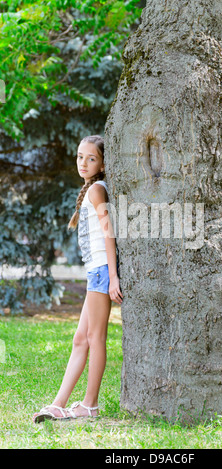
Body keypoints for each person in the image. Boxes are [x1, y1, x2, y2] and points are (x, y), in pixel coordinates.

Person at [33, 135, 123, 423]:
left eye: (91, 158)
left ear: (103, 162)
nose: (83, 163)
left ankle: (90, 404)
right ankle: (59, 404)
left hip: (101, 271)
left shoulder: (97, 190)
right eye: (80, 156)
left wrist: (112, 277)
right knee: (80, 340)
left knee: (95, 337)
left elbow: (109, 234)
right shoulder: (93, 188)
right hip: (94, 271)